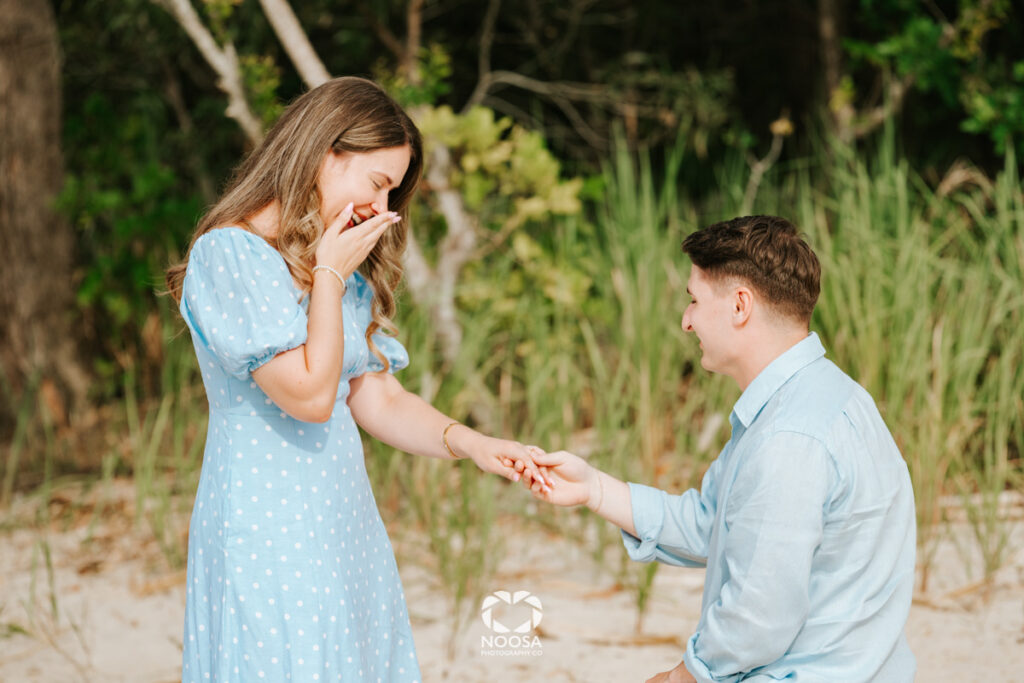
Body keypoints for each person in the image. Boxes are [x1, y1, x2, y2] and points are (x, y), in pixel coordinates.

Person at [166, 76, 548, 682]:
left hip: (343, 522)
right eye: (377, 183)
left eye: (393, 191)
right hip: (265, 529)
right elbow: (311, 396)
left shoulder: (337, 264)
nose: (381, 207)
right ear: (325, 152)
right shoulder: (231, 256)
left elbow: (375, 395)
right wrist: (329, 276)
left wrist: (475, 445)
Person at [526, 216, 916, 682]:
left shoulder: (788, 439)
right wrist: (593, 489)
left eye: (693, 299)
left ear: (739, 306)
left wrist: (681, 677)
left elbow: (759, 617)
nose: (686, 321)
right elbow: (714, 524)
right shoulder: (831, 395)